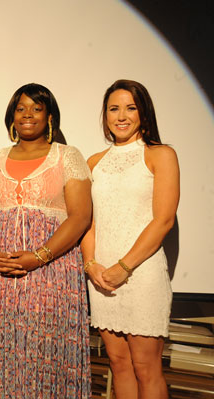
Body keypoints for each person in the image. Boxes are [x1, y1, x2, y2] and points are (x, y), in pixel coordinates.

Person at [0, 83, 92, 398]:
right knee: (3, 349)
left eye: (37, 108)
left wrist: (37, 257)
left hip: (53, 272)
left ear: (49, 116)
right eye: (21, 108)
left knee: (48, 351)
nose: (28, 115)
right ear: (12, 115)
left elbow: (79, 217)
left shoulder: (68, 156)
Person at [81, 79, 179, 398]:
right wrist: (91, 264)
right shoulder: (94, 162)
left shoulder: (160, 155)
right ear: (105, 115)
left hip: (141, 275)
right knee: (118, 364)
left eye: (130, 107)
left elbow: (162, 220)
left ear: (143, 113)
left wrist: (124, 267)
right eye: (114, 108)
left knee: (146, 367)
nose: (121, 115)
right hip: (102, 279)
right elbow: (89, 223)